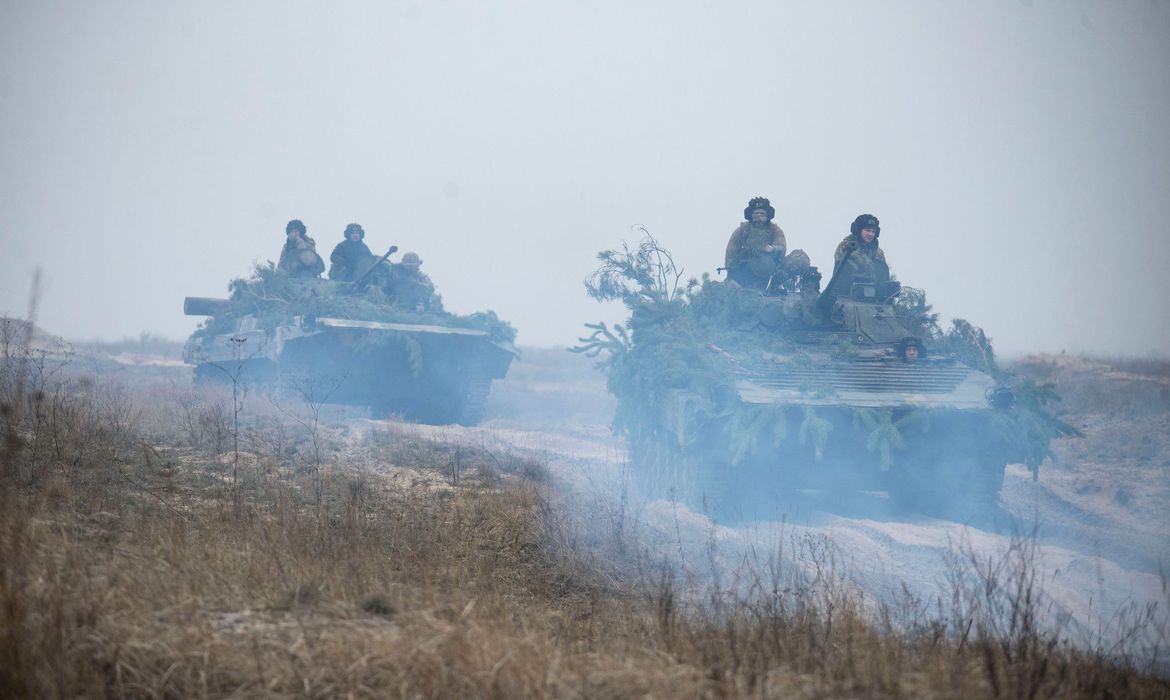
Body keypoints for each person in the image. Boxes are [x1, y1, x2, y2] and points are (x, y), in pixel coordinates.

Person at [831, 214, 900, 298]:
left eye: (873, 231)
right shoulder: (846, 247)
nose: (870, 234)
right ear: (859, 231)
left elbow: (883, 276)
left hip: (874, 299)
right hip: (844, 295)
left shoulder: (878, 253)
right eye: (867, 230)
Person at [724, 196, 787, 289]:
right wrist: (731, 273)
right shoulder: (742, 230)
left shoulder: (775, 230)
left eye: (762, 213)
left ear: (767, 216)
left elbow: (781, 246)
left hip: (770, 270)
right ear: (751, 215)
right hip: (745, 269)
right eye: (756, 213)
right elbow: (731, 251)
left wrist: (772, 249)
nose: (759, 216)